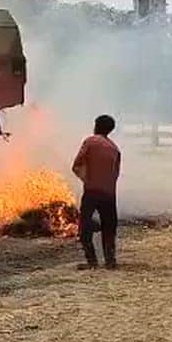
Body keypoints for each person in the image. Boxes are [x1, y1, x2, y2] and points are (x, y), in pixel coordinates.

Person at [71, 114, 121, 268]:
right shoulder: (114, 148)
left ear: (96, 126)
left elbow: (76, 165)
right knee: (109, 227)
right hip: (109, 194)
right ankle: (110, 261)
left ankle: (92, 262)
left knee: (84, 227)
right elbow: (116, 173)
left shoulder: (90, 142)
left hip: (92, 191)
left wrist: (86, 179)